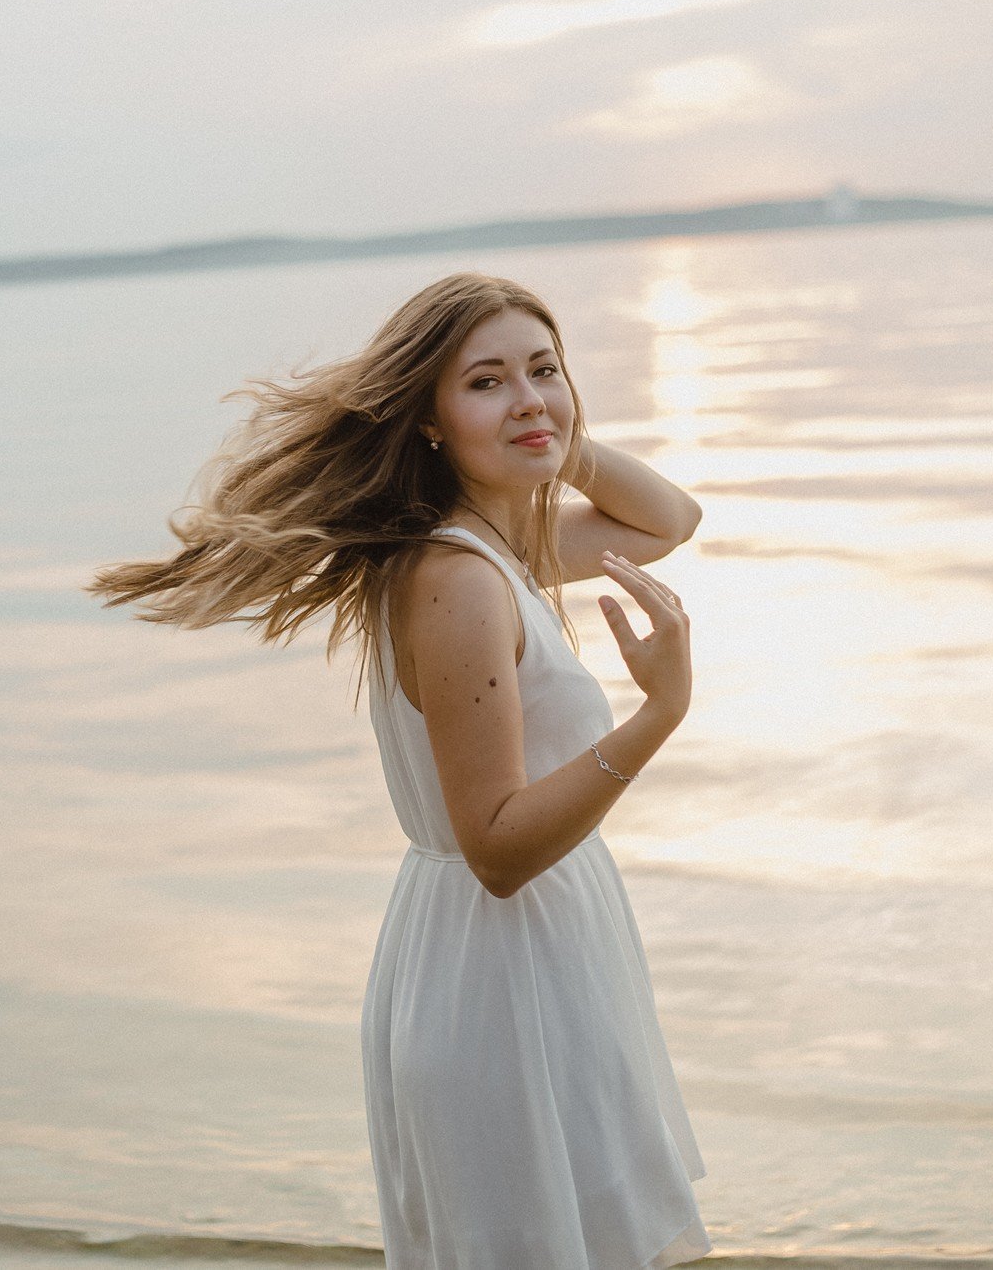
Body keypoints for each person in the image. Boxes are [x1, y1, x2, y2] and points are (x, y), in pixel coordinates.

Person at [88, 272, 710, 1269]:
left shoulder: (496, 544)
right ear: (426, 417)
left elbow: (669, 519)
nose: (528, 394)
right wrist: (659, 714)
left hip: (524, 956)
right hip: (500, 971)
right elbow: (498, 846)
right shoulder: (459, 580)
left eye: (545, 369)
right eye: (485, 382)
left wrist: (541, 430)